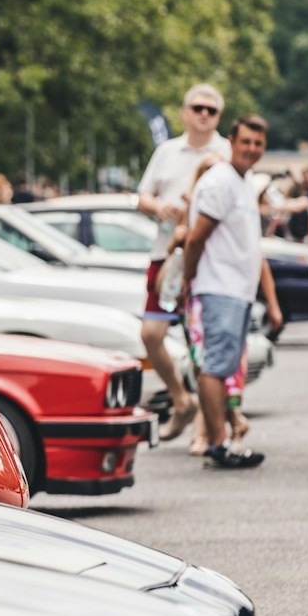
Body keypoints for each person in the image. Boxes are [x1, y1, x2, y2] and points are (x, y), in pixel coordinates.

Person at [181, 113, 283, 470]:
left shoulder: (244, 181)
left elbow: (251, 248)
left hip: (237, 291)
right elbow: (195, 238)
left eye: (258, 144)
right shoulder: (220, 182)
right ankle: (217, 444)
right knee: (215, 367)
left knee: (224, 368)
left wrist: (269, 300)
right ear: (231, 142)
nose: (251, 149)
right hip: (218, 288)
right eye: (245, 142)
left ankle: (219, 439)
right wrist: (188, 281)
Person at [135, 84, 231, 439]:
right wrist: (160, 207)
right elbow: (142, 195)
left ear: (219, 117)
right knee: (151, 334)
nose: (204, 115)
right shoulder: (167, 151)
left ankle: (207, 428)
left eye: (212, 110)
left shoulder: (226, 151)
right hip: (167, 256)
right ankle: (181, 399)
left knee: (203, 344)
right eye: (198, 108)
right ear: (185, 112)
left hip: (208, 258)